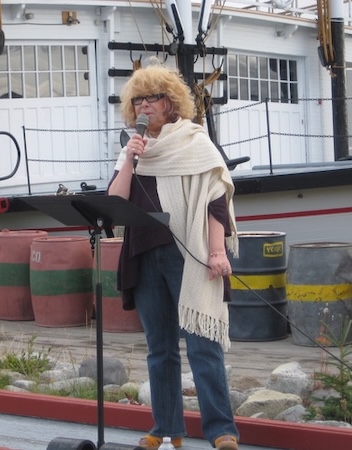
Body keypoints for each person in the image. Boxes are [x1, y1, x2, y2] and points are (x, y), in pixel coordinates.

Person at [107, 59, 240, 450]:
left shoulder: (194, 142)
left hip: (189, 255)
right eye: (138, 100)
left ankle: (221, 431)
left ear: (171, 102)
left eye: (152, 99)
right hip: (145, 254)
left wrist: (218, 251)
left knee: (202, 345)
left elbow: (216, 200)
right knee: (160, 348)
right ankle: (167, 428)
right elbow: (115, 201)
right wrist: (130, 159)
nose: (144, 106)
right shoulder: (133, 150)